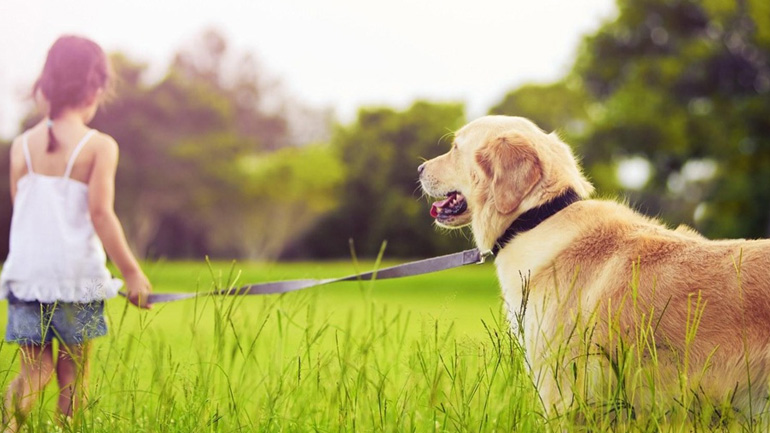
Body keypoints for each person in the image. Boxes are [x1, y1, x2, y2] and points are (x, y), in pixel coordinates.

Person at [0, 35, 152, 431]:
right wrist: (132, 273)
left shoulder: (21, 146)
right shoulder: (99, 146)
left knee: (33, 370)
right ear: (95, 89)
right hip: (79, 280)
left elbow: (22, 210)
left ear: (45, 86)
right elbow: (101, 214)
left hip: (26, 277)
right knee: (74, 374)